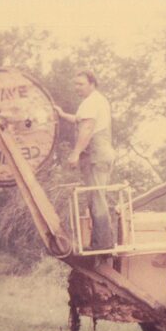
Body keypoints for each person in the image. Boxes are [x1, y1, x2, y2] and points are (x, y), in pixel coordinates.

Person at [54, 71, 116, 251]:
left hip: (96, 154)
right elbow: (80, 120)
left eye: (80, 84)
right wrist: (63, 114)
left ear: (92, 83)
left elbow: (87, 128)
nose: (76, 88)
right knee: (96, 197)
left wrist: (75, 153)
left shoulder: (91, 102)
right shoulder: (95, 101)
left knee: (97, 198)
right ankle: (101, 242)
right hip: (100, 153)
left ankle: (102, 244)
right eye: (75, 84)